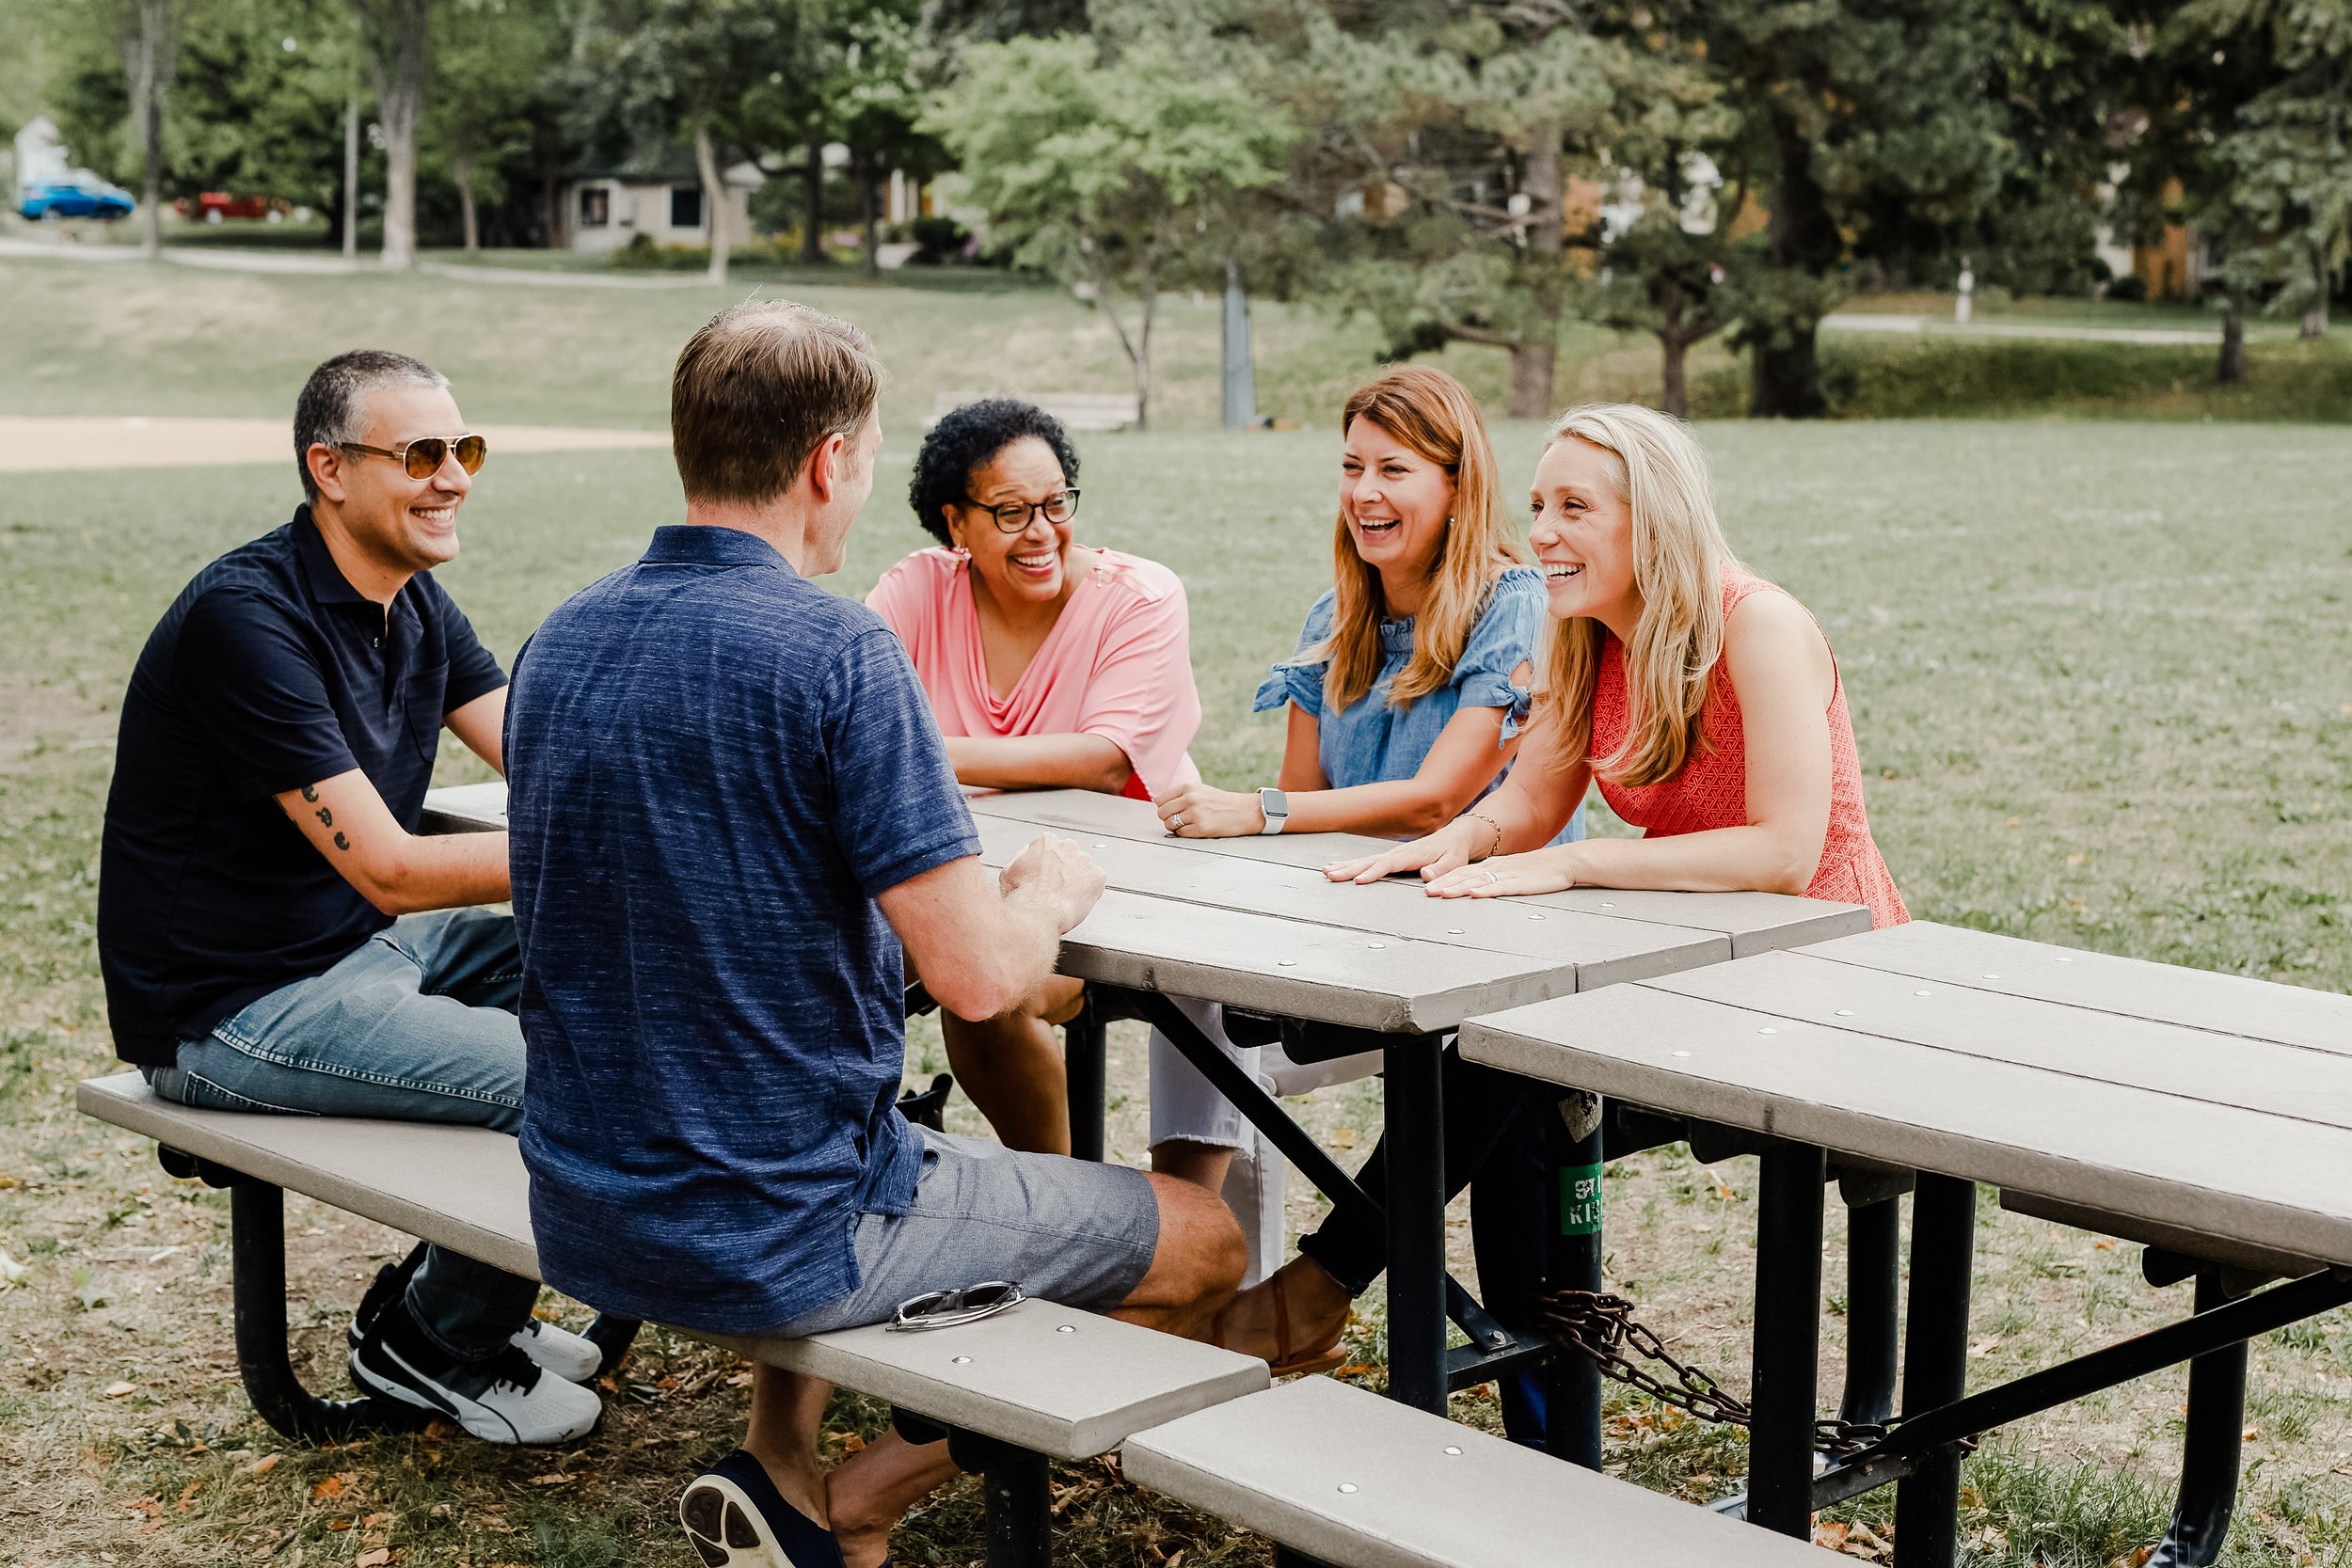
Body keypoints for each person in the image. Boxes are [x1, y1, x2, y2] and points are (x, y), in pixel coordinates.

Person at [503, 301, 1245, 1568]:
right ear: (829, 461)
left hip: (582, 1209)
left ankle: (792, 1461)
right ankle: (855, 1497)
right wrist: (1052, 890)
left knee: (914, 1133)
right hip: (790, 1220)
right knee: (1211, 1240)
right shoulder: (841, 650)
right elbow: (978, 970)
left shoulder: (560, 637)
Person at [1257, 402, 1910, 1426]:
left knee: (1508, 1087)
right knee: (1498, 1064)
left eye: (1574, 507)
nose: (1544, 532)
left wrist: (1576, 870)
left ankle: (1346, 1302)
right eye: (1536, 505)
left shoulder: (1758, 624)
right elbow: (1532, 801)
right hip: (1695, 958)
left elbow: (1786, 850)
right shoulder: (1581, 634)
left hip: (1821, 973)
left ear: (1652, 522)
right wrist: (1460, 837)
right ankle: (1537, 1421)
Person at [95, 350, 604, 1446]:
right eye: (422, 453)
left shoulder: (411, 603)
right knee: (571, 1074)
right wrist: (619, 850)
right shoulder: (249, 619)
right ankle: (434, 1334)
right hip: (230, 1009)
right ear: (329, 467)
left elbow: (546, 756)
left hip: (357, 958)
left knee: (614, 963)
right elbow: (391, 868)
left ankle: (457, 1293)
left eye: (464, 450)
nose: (455, 477)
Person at [1148, 367, 1583, 1410]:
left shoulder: (1511, 606)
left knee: (1491, 1065)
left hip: (1504, 943)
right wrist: (1266, 822)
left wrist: (1252, 810)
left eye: (1395, 467)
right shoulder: (1333, 614)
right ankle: (1182, 1254)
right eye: (1350, 466)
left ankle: (1322, 1280)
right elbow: (1309, 803)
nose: (1365, 491)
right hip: (1368, 936)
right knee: (1177, 997)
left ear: (1455, 481)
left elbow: (1441, 798)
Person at [867, 399, 1202, 1155]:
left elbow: (1106, 757)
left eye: (1057, 504)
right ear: (957, 523)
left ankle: (1058, 1201)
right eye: (1012, 512)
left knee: (985, 987)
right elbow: (857, 734)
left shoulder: (1140, 599)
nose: (1044, 532)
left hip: (1121, 888)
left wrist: (925, 751)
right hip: (959, 880)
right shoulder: (917, 593)